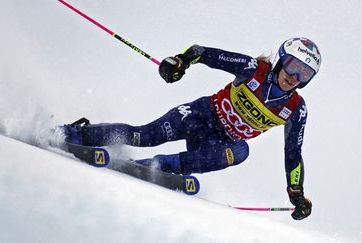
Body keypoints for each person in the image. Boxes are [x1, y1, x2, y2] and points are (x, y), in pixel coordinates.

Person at [60, 37, 321, 220]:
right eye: (292, 66)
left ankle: (155, 166)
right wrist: (180, 61)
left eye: (304, 74)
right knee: (144, 135)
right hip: (198, 116)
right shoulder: (254, 70)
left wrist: (296, 192)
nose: (294, 77)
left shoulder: (296, 109)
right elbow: (202, 52)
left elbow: (293, 154)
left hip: (216, 143)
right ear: (281, 61)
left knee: (240, 151)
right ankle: (76, 133)